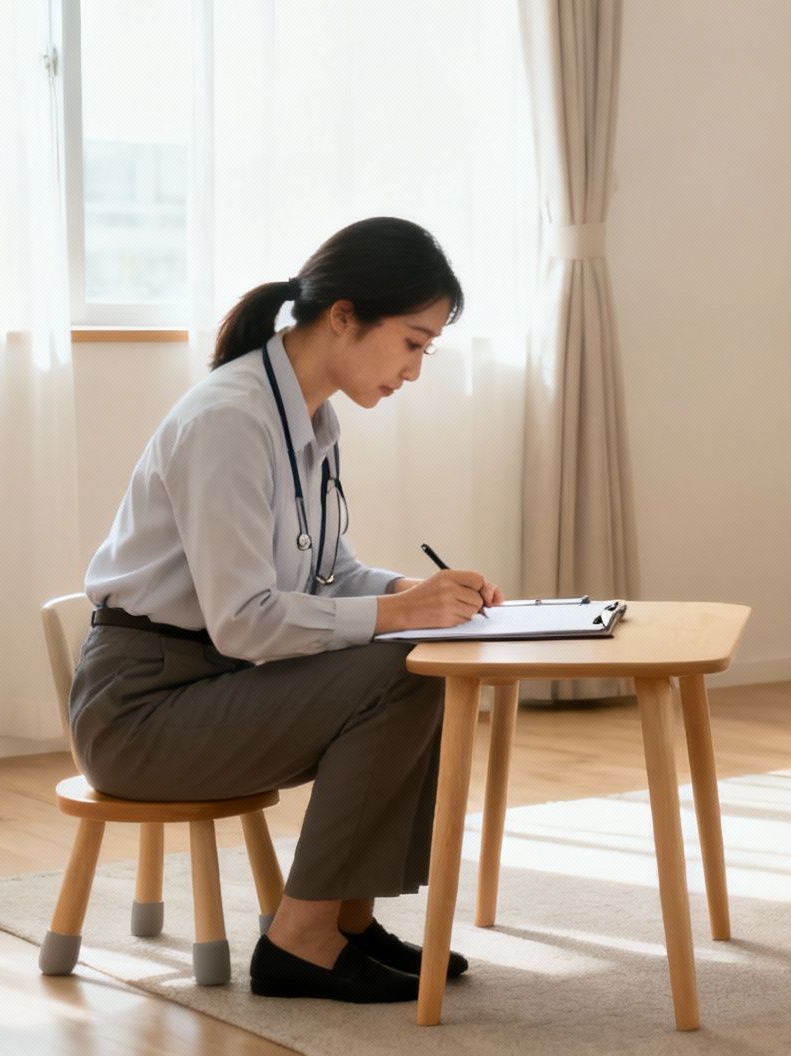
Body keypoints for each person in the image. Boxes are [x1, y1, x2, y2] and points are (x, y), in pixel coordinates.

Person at [71, 217, 506, 1002]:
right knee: (403, 665)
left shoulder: (310, 417)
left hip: (214, 685)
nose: (414, 370)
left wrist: (408, 593)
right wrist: (400, 619)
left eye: (425, 350)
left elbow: (329, 571)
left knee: (426, 655)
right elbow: (245, 619)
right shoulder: (230, 421)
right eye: (412, 343)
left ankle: (344, 923)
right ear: (344, 316)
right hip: (144, 712)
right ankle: (299, 942)